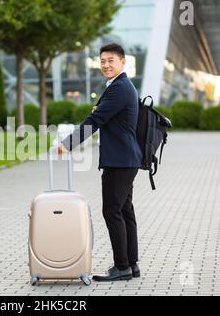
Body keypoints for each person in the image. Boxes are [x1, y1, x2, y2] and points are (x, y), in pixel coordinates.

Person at [57, 43, 142, 281]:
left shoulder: (120, 88)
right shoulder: (120, 86)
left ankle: (122, 267)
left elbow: (95, 119)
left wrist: (68, 143)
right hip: (125, 159)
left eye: (111, 61)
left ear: (123, 63)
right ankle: (131, 265)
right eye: (102, 61)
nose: (105, 65)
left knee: (112, 211)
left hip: (120, 161)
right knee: (125, 211)